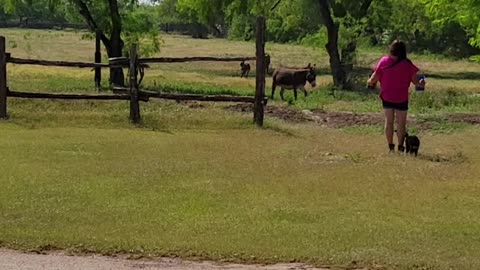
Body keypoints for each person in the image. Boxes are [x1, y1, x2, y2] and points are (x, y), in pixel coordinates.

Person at [367, 40, 426, 153]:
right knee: (401, 123)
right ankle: (400, 147)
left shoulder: (384, 61)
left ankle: (390, 147)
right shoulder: (407, 64)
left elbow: (373, 79)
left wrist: (369, 81)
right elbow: (416, 82)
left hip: (387, 96)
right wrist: (422, 83)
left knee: (389, 121)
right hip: (401, 97)